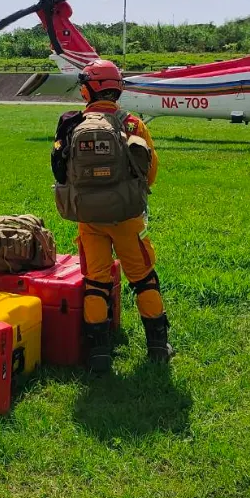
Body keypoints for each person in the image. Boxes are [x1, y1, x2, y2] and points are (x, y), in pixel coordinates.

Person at [52, 58, 173, 373]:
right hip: (128, 218)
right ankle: (158, 347)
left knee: (96, 283)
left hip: (89, 220)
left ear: (88, 89)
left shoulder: (72, 123)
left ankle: (99, 356)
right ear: (116, 88)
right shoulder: (132, 123)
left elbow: (60, 172)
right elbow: (151, 170)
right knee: (144, 278)